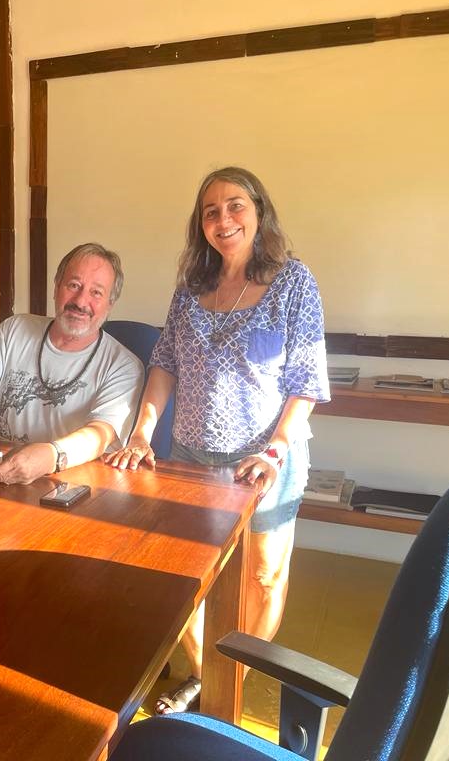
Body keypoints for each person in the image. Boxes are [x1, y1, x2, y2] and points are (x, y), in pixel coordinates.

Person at [104, 167, 330, 714]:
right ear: (200, 224)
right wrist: (141, 432)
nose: (223, 219)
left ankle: (230, 682)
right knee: (188, 575)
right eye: (211, 211)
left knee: (262, 575)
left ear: (259, 212)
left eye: (235, 206)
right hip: (192, 457)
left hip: (266, 461)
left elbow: (306, 381)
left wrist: (274, 450)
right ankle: (210, 677)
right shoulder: (191, 290)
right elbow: (164, 363)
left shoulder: (293, 282)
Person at [0, 243, 143, 485]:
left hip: (77, 485)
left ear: (110, 304)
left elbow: (101, 433)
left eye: (96, 292)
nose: (81, 301)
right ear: (56, 287)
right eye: (73, 285)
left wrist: (51, 456)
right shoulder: (14, 330)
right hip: (2, 478)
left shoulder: (124, 366)